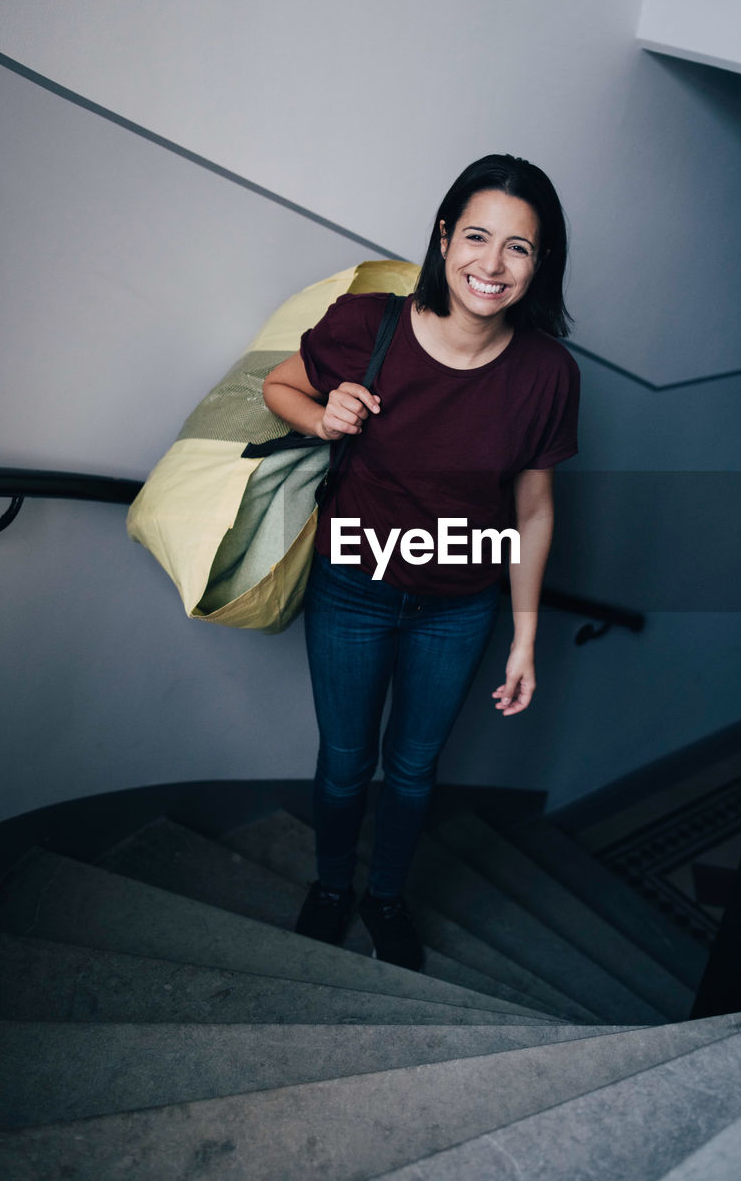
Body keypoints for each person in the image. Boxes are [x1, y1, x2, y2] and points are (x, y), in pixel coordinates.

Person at [263, 153, 580, 971]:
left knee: (412, 772)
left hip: (459, 603)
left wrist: (522, 638)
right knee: (344, 765)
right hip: (352, 590)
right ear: (443, 238)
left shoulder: (548, 373)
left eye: (519, 247)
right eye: (476, 236)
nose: (492, 263)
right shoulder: (368, 325)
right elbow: (278, 388)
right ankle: (333, 886)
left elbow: (533, 508)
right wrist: (324, 417)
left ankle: (386, 896)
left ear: (540, 263)